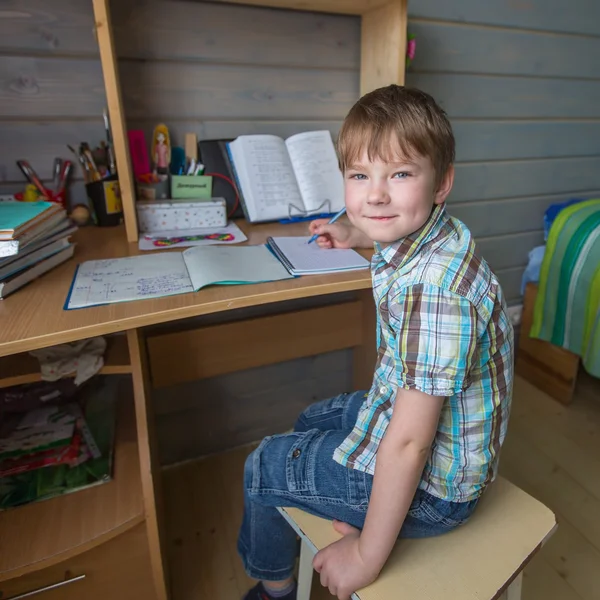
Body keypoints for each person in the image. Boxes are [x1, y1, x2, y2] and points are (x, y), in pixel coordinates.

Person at [238, 85, 514, 600]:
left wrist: (367, 555)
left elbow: (410, 444)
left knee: (263, 465)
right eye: (360, 176)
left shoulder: (435, 292)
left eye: (400, 173)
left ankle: (274, 590)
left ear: (441, 183)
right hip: (407, 412)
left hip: (437, 491)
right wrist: (353, 235)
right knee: (312, 420)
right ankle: (343, 505)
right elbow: (384, 216)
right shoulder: (434, 232)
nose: (377, 194)